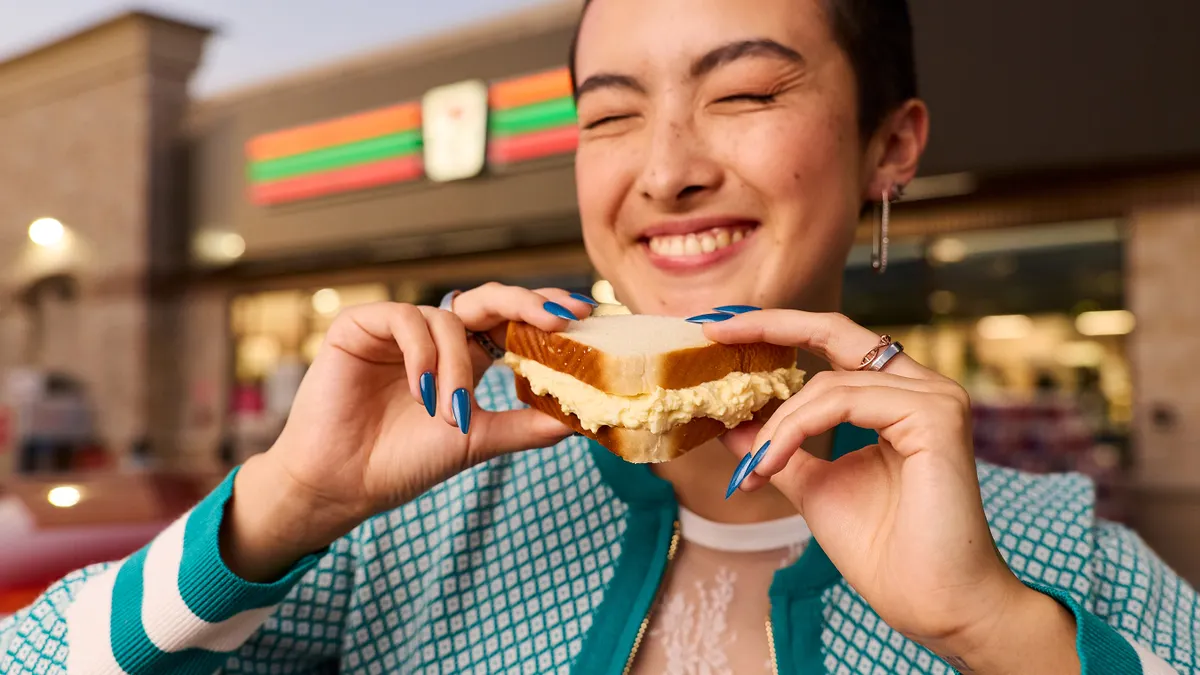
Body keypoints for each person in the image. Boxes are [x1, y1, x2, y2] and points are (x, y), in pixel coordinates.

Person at [2, 1, 1196, 673]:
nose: (668, 171)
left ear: (892, 144)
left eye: (743, 94)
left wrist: (993, 629)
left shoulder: (1054, 562)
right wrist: (286, 505)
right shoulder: (416, 527)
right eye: (610, 117)